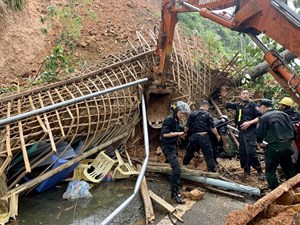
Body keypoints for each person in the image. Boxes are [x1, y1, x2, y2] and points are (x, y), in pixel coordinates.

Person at [221, 87, 265, 180]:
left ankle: (259, 171)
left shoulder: (253, 105)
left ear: (248, 95)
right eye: (243, 93)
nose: (245, 95)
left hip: (250, 131)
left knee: (251, 152)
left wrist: (249, 123)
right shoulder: (238, 105)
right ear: (240, 95)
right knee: (243, 152)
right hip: (241, 132)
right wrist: (224, 97)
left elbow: (260, 117)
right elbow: (226, 104)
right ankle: (246, 171)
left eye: (247, 93)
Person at [257, 99, 296, 189]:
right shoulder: (284, 114)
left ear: (263, 107)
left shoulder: (264, 117)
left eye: (260, 107)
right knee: (288, 168)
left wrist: (258, 142)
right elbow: (293, 130)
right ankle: (293, 188)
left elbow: (260, 133)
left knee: (270, 170)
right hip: (287, 145)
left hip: (274, 146)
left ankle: (275, 191)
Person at [160, 101, 190, 204]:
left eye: (183, 114)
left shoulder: (176, 120)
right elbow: (165, 135)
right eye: (181, 113)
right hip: (167, 147)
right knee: (177, 169)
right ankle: (174, 194)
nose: (182, 115)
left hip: (172, 146)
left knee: (170, 163)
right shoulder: (169, 120)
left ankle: (164, 174)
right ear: (176, 112)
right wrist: (178, 133)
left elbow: (180, 129)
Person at [182, 100, 221, 172]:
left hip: (194, 136)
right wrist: (217, 135)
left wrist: (184, 133)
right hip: (204, 136)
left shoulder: (192, 114)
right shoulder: (208, 114)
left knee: (189, 151)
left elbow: (187, 126)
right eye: (208, 108)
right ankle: (212, 171)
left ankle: (184, 164)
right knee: (208, 154)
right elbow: (213, 127)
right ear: (206, 106)